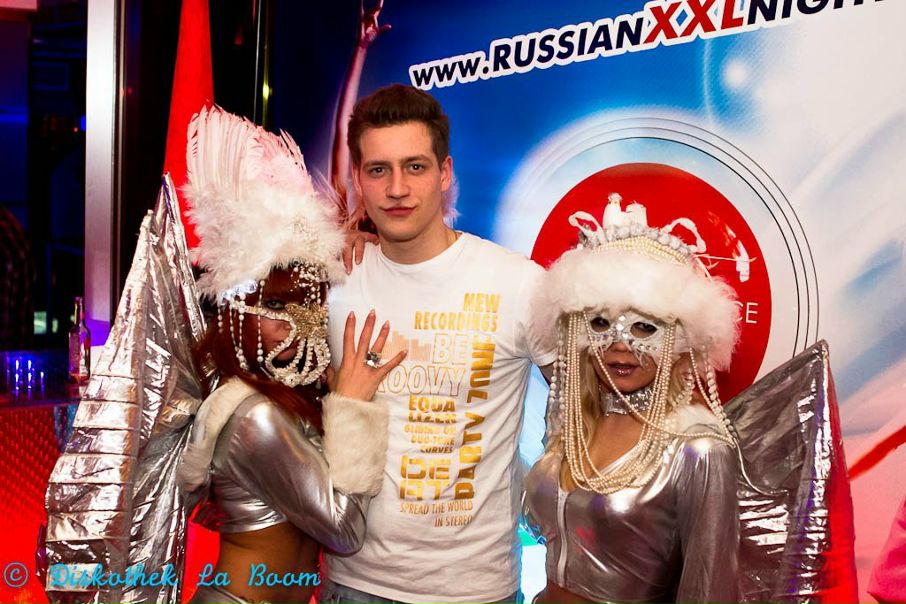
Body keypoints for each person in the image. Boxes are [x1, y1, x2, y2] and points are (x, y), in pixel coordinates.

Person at [320, 84, 556, 604]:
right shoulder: (334, 278)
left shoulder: (516, 282)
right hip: (353, 580)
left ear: (444, 172)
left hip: (473, 588)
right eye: (378, 170)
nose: (397, 188)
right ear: (358, 178)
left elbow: (588, 402)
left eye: (415, 167)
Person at [174, 106, 407, 604]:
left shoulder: (283, 398)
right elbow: (343, 530)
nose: (297, 322)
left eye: (308, 301)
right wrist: (353, 407)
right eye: (277, 305)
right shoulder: (253, 416)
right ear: (236, 310)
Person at [524, 195, 741, 604]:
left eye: (644, 328)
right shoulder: (575, 424)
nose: (620, 345)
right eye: (600, 323)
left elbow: (710, 588)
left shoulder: (697, 448)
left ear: (680, 341)